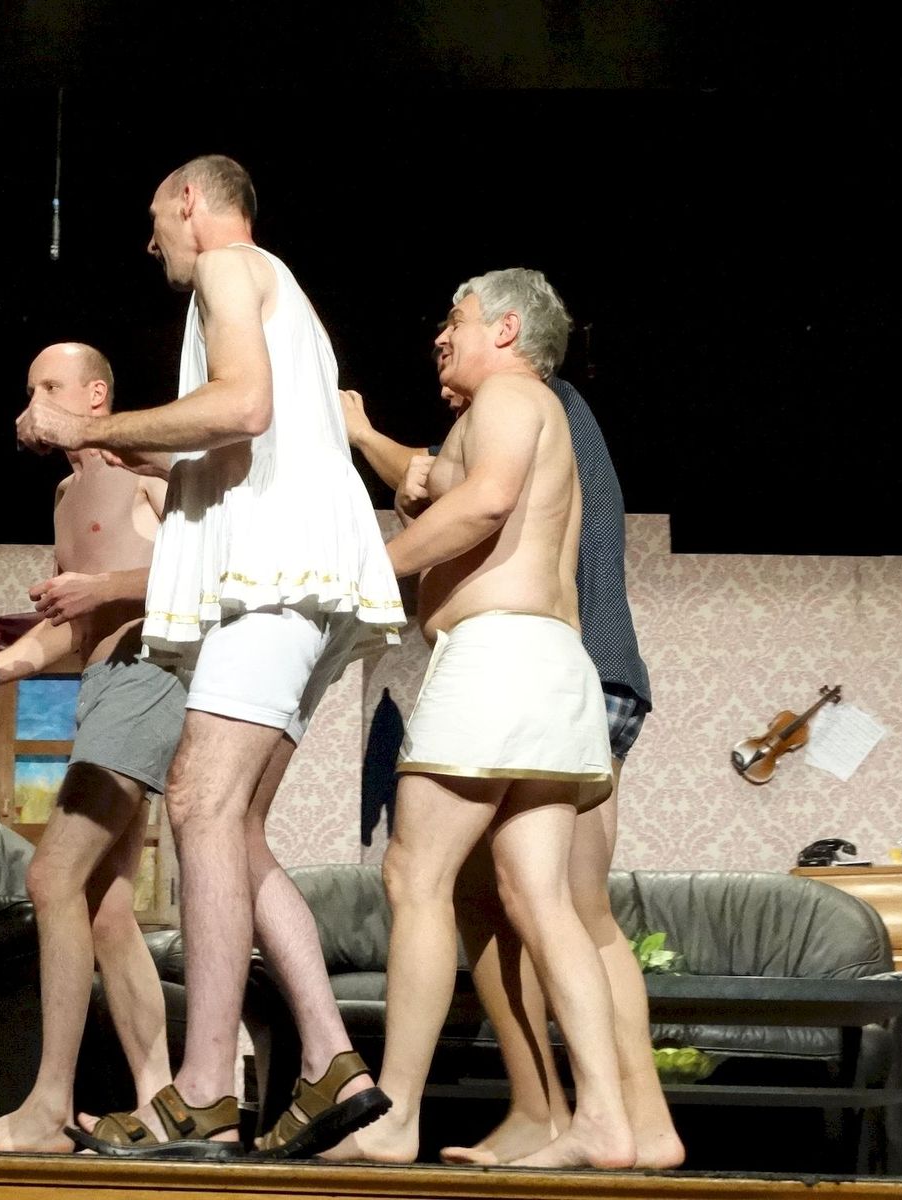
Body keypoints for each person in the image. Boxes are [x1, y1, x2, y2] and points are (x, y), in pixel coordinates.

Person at [16, 155, 404, 1160]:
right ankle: (330, 1059)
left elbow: (241, 408)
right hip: (310, 576)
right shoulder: (282, 297)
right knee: (235, 828)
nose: (151, 241)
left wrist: (90, 423)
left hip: (272, 575)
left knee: (195, 801)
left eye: (155, 216)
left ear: (191, 202)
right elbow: (235, 444)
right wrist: (127, 447)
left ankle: (201, 1092)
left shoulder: (232, 268)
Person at [332, 268, 635, 1170]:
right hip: (550, 663)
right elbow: (439, 480)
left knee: (414, 875)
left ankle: (395, 1116)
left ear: (505, 329)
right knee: (540, 898)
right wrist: (374, 445)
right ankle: (603, 1119)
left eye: (455, 319)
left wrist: (370, 570)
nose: (440, 336)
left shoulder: (508, 395)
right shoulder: (526, 410)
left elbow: (485, 499)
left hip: (497, 657)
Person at [0, 342, 178, 1153]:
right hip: (103, 682)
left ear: (95, 394)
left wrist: (103, 587)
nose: (33, 402)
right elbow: (72, 625)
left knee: (52, 875)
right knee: (107, 909)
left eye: (50, 386)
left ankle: (47, 1109)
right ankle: (161, 1105)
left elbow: (211, 575)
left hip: (151, 672)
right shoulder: (68, 494)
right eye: (29, 387)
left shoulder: (148, 466)